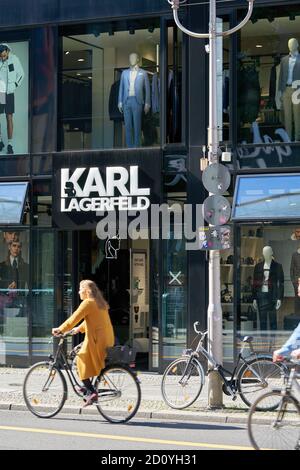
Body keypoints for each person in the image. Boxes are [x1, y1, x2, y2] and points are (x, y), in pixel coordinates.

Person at [52, 280, 115, 406]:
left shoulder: (87, 303)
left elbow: (73, 318)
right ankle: (86, 387)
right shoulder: (99, 302)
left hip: (97, 340)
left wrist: (60, 329)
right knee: (77, 352)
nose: (78, 292)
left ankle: (91, 392)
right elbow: (92, 320)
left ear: (86, 291)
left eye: (80, 289)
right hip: (106, 339)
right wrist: (77, 330)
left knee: (79, 359)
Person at [0, 43, 24, 154]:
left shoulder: (15, 59)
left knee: (9, 117)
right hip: (0, 92)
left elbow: (21, 74)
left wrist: (14, 85)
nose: (2, 57)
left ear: (7, 51)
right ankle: (0, 140)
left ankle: (10, 144)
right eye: (1, 56)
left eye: (4, 55)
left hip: (9, 93)